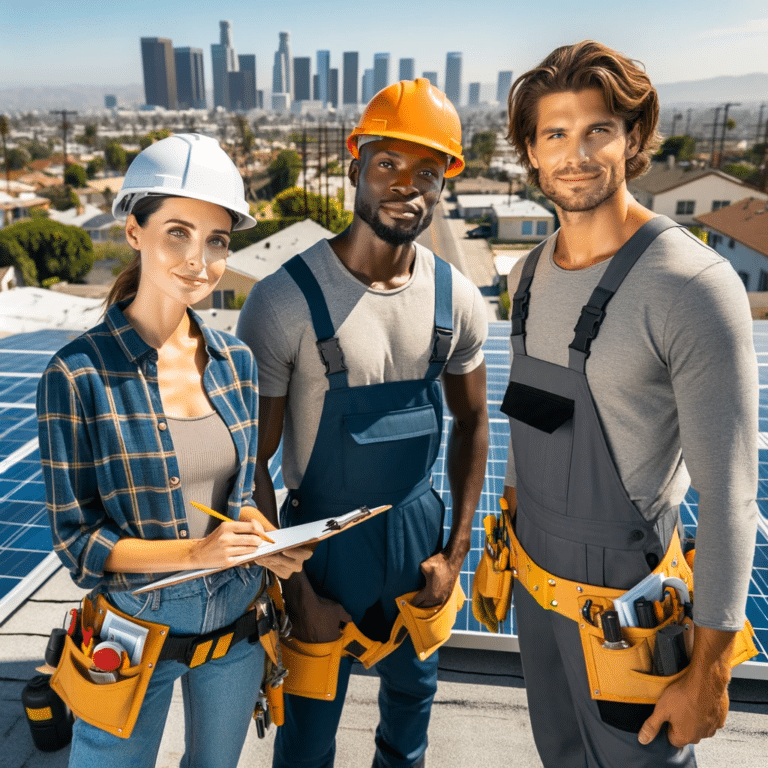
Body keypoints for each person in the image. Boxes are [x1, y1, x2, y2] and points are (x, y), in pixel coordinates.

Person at [500, 41, 758, 767]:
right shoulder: (525, 274)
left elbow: (732, 496)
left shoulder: (692, 286)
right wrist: (507, 539)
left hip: (631, 620)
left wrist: (709, 669)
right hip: (536, 594)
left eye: (597, 131)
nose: (575, 154)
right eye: (555, 134)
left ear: (633, 138)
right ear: (530, 149)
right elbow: (529, 415)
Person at [236, 78, 489, 768]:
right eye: (387, 165)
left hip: (419, 544)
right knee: (308, 737)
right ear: (354, 169)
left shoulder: (456, 299)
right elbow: (248, 466)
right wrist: (298, 590)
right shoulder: (283, 302)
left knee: (410, 719)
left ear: (444, 187)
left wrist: (455, 554)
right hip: (319, 547)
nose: (406, 186)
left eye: (427, 173)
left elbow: (473, 425)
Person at [37, 133, 310, 768]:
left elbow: (234, 501)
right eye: (177, 233)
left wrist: (266, 542)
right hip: (136, 628)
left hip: (239, 621)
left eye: (217, 239)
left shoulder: (236, 361)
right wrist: (198, 552)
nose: (200, 260)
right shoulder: (77, 374)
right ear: (134, 232)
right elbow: (80, 546)